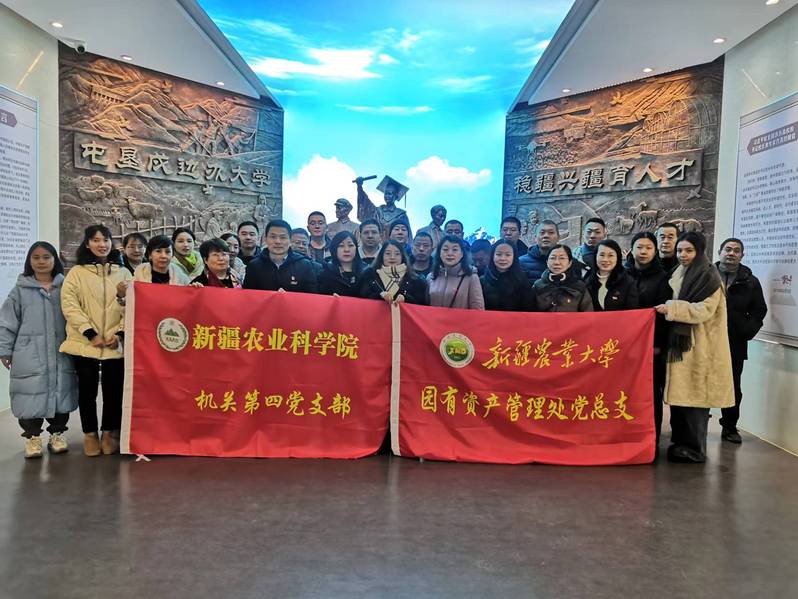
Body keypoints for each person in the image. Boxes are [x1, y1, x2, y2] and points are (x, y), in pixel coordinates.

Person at [655, 232, 734, 463]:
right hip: (683, 345)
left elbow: (704, 310)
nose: (683, 255)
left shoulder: (709, 276)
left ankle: (695, 449)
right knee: (681, 401)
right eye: (680, 250)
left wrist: (672, 308)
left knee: (696, 403)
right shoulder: (679, 272)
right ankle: (681, 444)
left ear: (699, 251)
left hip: (701, 347)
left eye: (688, 250)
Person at [0, 242, 78, 458]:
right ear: (29, 261)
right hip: (28, 354)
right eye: (36, 257)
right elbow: (6, 323)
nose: (41, 261)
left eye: (46, 257)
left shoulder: (66, 288)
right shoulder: (19, 291)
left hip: (61, 352)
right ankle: (32, 437)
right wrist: (4, 349)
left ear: (55, 260)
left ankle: (57, 434)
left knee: (60, 392)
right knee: (29, 394)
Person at [60, 224, 131, 457]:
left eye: (106, 239)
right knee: (87, 391)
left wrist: (119, 334)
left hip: (114, 342)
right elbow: (70, 305)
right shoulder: (76, 273)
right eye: (96, 240)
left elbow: (132, 306)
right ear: (87, 243)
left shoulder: (123, 272)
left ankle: (109, 432)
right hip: (85, 342)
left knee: (114, 391)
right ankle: (89, 433)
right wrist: (90, 333)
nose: (102, 244)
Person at [715, 237, 767, 444]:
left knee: (732, 385)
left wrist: (746, 331)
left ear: (742, 255)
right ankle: (697, 425)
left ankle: (729, 427)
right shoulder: (707, 275)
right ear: (719, 252)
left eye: (736, 250)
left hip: (734, 342)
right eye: (727, 249)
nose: (731, 253)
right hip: (706, 339)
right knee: (701, 379)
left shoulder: (750, 281)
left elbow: (759, 310)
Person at [625, 231, 672, 443]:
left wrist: (657, 344)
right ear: (632, 249)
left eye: (648, 247)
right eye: (639, 247)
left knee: (651, 393)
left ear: (655, 251)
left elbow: (662, 316)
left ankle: (650, 439)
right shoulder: (622, 274)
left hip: (651, 347)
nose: (643, 252)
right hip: (625, 347)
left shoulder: (664, 278)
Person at [242, 219, 318, 293]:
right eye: (273, 237)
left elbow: (311, 297)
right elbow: (247, 296)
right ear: (266, 239)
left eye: (283, 237)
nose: (278, 241)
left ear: (290, 240)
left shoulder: (305, 265)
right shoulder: (254, 266)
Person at [359, 240, 428, 305]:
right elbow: (361, 300)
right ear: (381, 256)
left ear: (402, 257)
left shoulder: (415, 280)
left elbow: (421, 305)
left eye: (397, 254)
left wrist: (406, 298)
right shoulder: (369, 275)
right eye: (388, 253)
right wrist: (379, 296)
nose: (392, 257)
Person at [428, 235, 484, 310]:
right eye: (445, 249)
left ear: (461, 254)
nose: (450, 253)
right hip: (433, 317)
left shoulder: (471, 277)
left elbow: (478, 308)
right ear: (439, 253)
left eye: (455, 250)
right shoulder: (431, 277)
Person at [532, 244, 593, 312]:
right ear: (547, 262)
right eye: (552, 258)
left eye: (562, 258)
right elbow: (530, 312)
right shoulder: (538, 285)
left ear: (570, 263)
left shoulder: (580, 287)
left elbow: (588, 314)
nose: (557, 262)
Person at [480, 241, 535, 311]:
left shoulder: (522, 280)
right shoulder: (482, 281)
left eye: (508, 255)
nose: (503, 258)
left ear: (514, 257)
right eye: (498, 254)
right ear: (492, 256)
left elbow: (529, 308)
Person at [585, 239, 638, 311]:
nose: (605, 259)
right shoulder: (588, 281)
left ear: (617, 258)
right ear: (595, 256)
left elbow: (633, 313)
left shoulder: (628, 282)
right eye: (602, 255)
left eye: (611, 255)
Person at [356, 175, 412, 241]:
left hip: (394, 246)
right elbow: (366, 203)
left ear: (396, 196)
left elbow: (408, 236)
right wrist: (359, 187)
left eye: (390, 194)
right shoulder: (377, 211)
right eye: (386, 193)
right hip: (377, 245)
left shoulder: (401, 215)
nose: (387, 196)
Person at [318, 231, 365, 297]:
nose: (346, 250)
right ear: (334, 249)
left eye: (350, 245)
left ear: (356, 248)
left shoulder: (366, 272)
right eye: (341, 246)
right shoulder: (325, 271)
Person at [519, 220, 560, 285]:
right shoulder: (521, 262)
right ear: (535, 237)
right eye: (542, 233)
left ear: (558, 237)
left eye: (551, 232)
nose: (546, 236)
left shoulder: (568, 262)